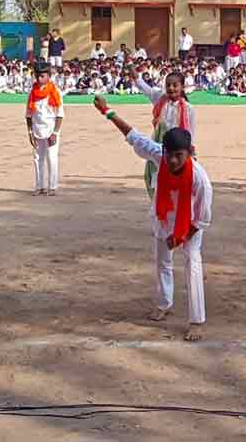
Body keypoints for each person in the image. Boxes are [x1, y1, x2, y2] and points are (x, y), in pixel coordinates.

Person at [95, 95, 212, 341]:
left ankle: (196, 320)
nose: (171, 160)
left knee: (192, 263)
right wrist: (107, 111)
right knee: (162, 261)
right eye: (169, 154)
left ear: (189, 152)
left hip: (188, 224)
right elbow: (133, 136)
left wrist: (180, 237)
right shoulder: (160, 154)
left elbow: (201, 219)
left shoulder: (200, 180)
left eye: (178, 155)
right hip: (162, 217)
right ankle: (164, 303)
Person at [134, 64, 196, 199]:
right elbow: (143, 87)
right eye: (168, 85)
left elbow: (190, 133)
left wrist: (190, 152)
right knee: (156, 178)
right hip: (159, 147)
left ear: (182, 87)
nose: (171, 88)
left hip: (177, 149)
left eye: (175, 85)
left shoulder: (188, 109)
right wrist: (130, 67)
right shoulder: (160, 100)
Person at [26, 62, 64, 196]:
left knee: (51, 157)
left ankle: (52, 186)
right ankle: (39, 186)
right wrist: (30, 132)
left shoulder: (55, 92)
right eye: (37, 76)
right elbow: (28, 115)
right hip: (37, 129)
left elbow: (60, 115)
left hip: (51, 130)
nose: (39, 79)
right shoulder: (32, 93)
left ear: (49, 76)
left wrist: (55, 132)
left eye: (42, 76)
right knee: (37, 158)